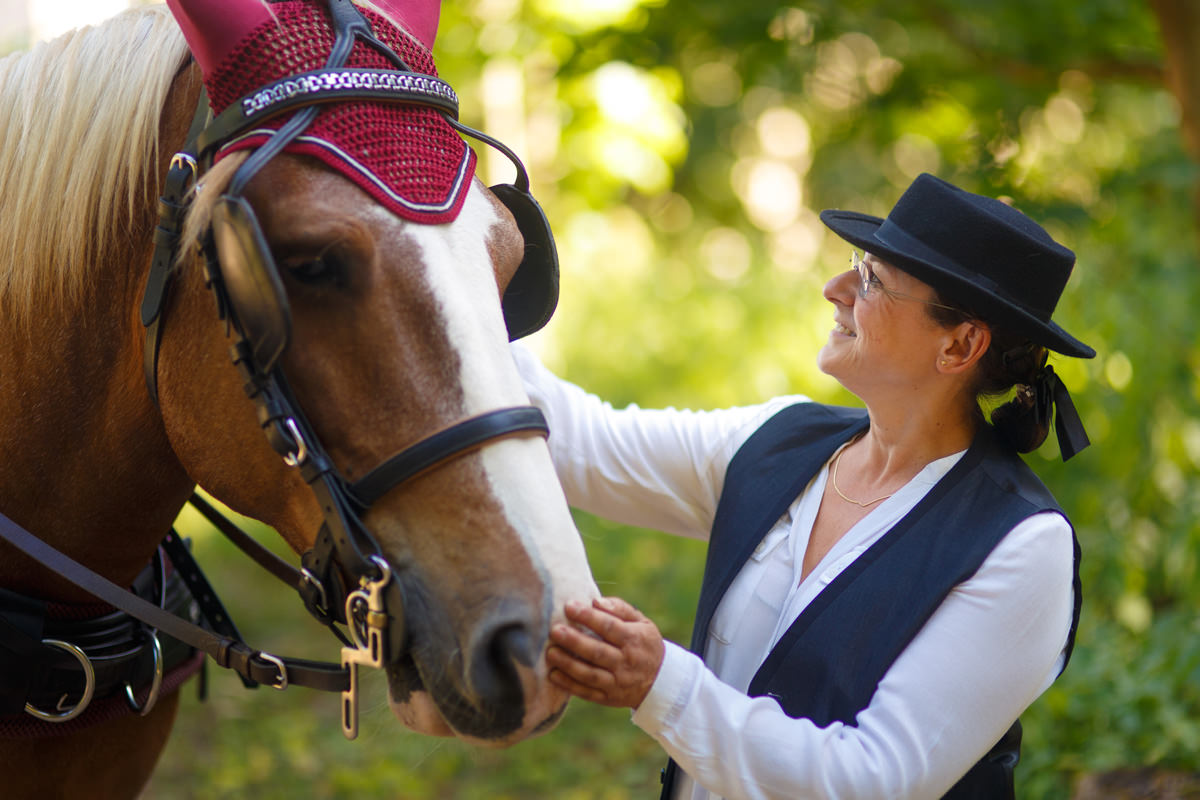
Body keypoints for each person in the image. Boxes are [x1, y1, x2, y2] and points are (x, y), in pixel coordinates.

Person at [516, 173, 1094, 799]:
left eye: (871, 281)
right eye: (857, 265)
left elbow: (870, 781)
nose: (835, 289)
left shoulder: (1020, 546)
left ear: (959, 344)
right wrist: (447, 273)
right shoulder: (778, 441)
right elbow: (580, 442)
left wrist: (661, 684)